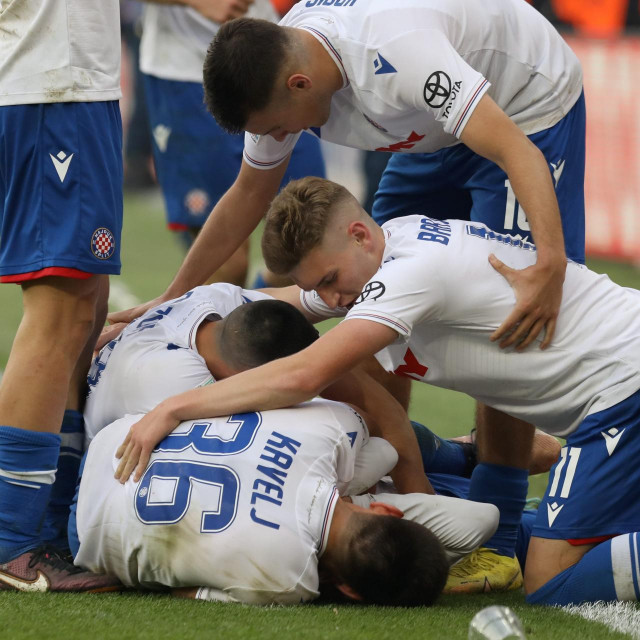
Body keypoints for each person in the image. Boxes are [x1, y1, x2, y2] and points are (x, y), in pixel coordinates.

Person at [115, 177, 640, 606]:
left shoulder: (410, 277)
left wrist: (172, 408)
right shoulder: (385, 251)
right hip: (614, 390)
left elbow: (302, 375)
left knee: (548, 583)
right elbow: (276, 300)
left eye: (330, 279)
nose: (330, 297)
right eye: (319, 285)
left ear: (362, 235)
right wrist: (164, 313)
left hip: (620, 390)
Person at [72, 402, 504, 605]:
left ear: (386, 511)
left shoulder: (332, 428)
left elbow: (380, 437)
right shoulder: (289, 580)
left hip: (116, 436)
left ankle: (451, 456)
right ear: (349, 591)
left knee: (384, 454)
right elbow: (184, 590)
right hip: (89, 525)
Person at [0, 0, 122, 591]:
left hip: (67, 81)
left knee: (85, 305)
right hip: (50, 83)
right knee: (60, 311)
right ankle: (10, 541)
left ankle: (49, 521)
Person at [138, 0, 325, 285]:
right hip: (185, 73)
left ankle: (247, 318)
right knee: (228, 264)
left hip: (270, 64)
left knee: (305, 240)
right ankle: (223, 324)